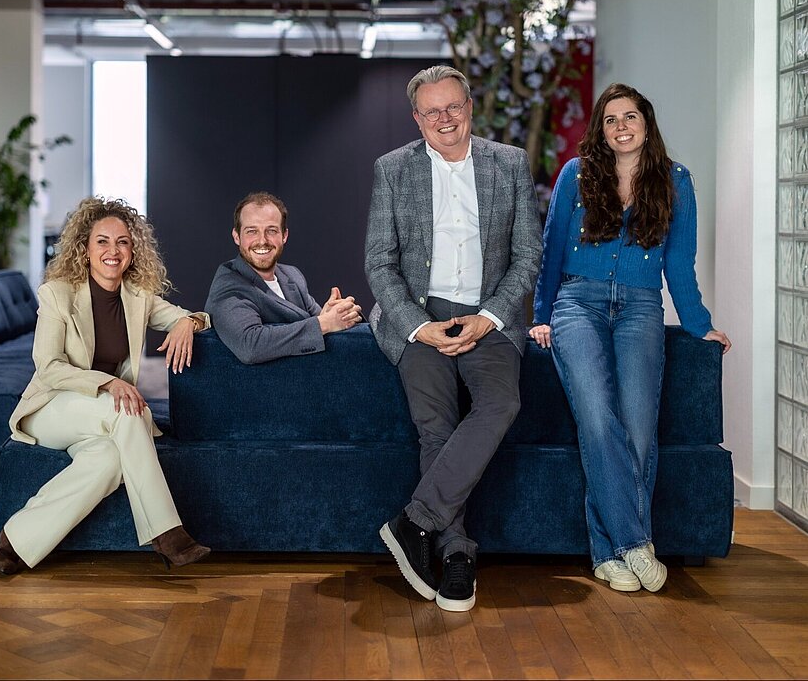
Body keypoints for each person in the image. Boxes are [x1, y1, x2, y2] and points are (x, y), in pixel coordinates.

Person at [530, 83, 731, 593]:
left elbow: (679, 264)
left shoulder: (676, 181)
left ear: (646, 123)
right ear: (601, 129)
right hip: (577, 303)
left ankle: (609, 551)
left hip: (641, 308)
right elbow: (551, 251)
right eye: (611, 119)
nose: (621, 127)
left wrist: (700, 324)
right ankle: (633, 543)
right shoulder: (576, 174)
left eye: (631, 117)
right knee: (598, 418)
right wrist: (541, 314)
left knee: (640, 430)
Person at [365, 65, 541, 612]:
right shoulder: (393, 169)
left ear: (469, 107)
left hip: (490, 316)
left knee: (501, 403)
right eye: (432, 111)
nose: (444, 118)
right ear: (417, 119)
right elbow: (379, 262)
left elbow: (527, 255)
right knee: (435, 425)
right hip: (420, 317)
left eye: (453, 106)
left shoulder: (509, 163)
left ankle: (415, 521)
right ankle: (458, 552)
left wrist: (490, 317)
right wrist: (419, 327)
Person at [0, 197, 211, 575]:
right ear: (85, 249)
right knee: (131, 410)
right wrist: (108, 383)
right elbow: (48, 366)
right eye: (102, 241)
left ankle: (14, 542)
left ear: (133, 250)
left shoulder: (138, 298)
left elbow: (197, 317)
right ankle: (167, 533)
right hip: (51, 408)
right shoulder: (57, 293)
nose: (113, 250)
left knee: (107, 461)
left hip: (99, 417)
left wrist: (189, 323)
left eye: (123, 242)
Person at [205, 191, 362, 364]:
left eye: (271, 231)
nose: (262, 240)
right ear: (237, 237)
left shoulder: (292, 275)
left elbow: (318, 320)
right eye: (252, 231)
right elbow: (250, 345)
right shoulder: (228, 283)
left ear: (284, 235)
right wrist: (324, 323)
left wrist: (337, 312)